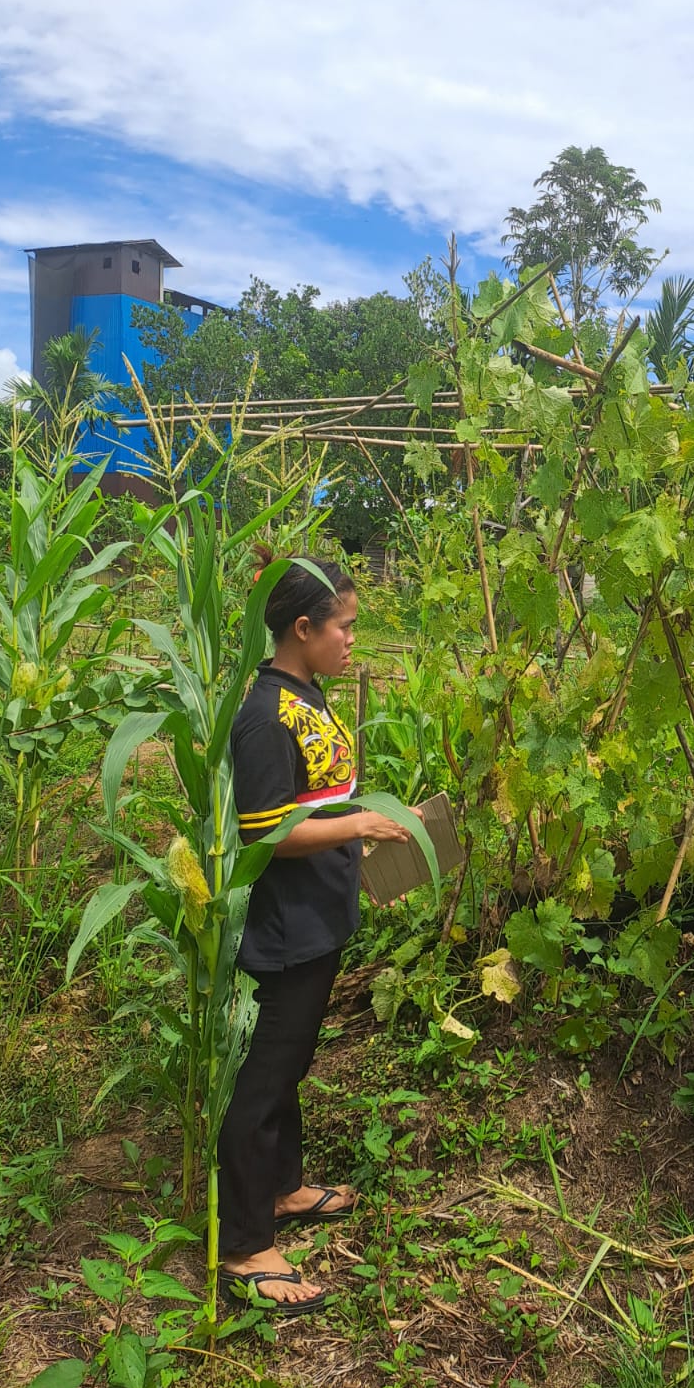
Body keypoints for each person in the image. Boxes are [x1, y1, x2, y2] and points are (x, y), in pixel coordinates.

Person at [217, 549, 415, 1315]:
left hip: (321, 914)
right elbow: (262, 832)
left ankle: (286, 1187)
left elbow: (317, 800)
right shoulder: (265, 716)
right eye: (346, 627)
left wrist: (353, 831)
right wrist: (356, 823)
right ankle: (243, 1244)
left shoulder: (309, 694)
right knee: (264, 1079)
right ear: (303, 628)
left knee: (292, 1061)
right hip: (286, 926)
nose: (353, 640)